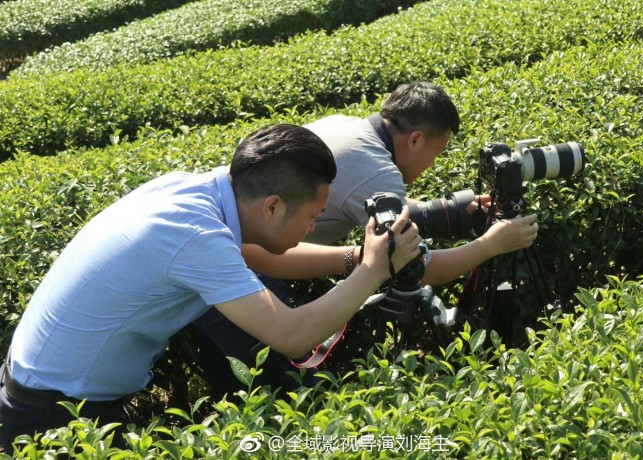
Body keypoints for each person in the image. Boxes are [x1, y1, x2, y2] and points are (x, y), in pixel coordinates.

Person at [0, 123, 423, 452]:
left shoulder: (201, 192)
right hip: (52, 418)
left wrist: (357, 255)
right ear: (272, 206)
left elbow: (255, 256)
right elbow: (292, 335)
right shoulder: (193, 234)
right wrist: (373, 269)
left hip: (39, 389)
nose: (314, 226)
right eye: (312, 215)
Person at [192, 81, 539, 400]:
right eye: (438, 152)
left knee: (236, 393)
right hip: (242, 273)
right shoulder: (376, 171)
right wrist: (493, 243)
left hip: (219, 264)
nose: (433, 164)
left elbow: (373, 198)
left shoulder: (349, 127)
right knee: (287, 396)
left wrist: (459, 210)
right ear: (415, 139)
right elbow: (420, 268)